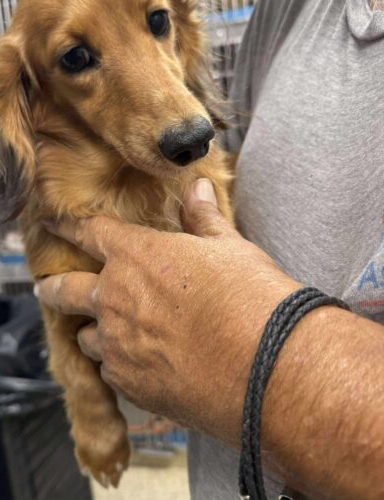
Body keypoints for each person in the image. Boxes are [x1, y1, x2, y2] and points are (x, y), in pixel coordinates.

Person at [34, 0, 384, 498]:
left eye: (157, 21)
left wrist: (244, 355)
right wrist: (92, 400)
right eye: (76, 57)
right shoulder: (289, 10)